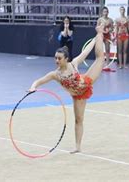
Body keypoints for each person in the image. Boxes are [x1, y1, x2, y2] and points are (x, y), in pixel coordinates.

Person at [29, 25, 105, 153]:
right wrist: (33, 87)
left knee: (100, 58)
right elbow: (39, 81)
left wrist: (96, 38)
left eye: (59, 58)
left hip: (86, 81)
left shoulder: (73, 63)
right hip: (78, 96)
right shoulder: (55, 74)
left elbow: (85, 52)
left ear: (66, 59)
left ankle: (100, 32)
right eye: (55, 58)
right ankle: (77, 147)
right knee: (78, 120)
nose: (56, 60)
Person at [96, 7, 114, 71]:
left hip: (107, 35)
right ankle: (99, 64)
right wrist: (101, 30)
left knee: (107, 49)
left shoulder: (110, 20)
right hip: (101, 35)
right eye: (104, 11)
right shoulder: (100, 20)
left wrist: (109, 30)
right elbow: (96, 28)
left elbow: (112, 28)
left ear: (108, 12)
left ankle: (107, 64)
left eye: (106, 11)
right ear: (102, 12)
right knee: (100, 50)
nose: (105, 13)